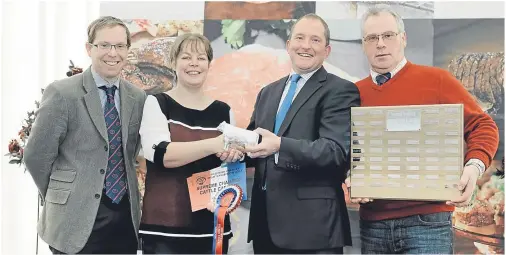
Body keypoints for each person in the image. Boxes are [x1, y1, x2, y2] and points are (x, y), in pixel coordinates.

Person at [347, 4, 500, 254]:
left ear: (403, 38)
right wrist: (347, 175)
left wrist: (473, 168)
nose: (381, 44)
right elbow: (341, 145)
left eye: (388, 35)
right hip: (372, 225)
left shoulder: (437, 80)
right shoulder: (352, 92)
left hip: (428, 224)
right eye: (372, 38)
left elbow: (483, 125)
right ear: (364, 44)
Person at [23, 16, 147, 254]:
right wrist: (62, 194)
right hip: (73, 220)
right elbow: (36, 156)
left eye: (120, 46)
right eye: (104, 45)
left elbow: (131, 153)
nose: (113, 53)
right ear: (89, 48)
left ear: (127, 50)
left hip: (123, 221)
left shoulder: (137, 97)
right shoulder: (62, 93)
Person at [244, 13, 361, 254]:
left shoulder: (340, 90)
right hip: (265, 226)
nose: (306, 45)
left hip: (313, 230)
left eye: (315, 40)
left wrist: (279, 145)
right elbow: (256, 143)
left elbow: (335, 151)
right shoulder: (268, 92)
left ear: (327, 51)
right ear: (288, 45)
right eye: (300, 37)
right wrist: (236, 148)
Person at [138, 33, 243, 254]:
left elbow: (230, 169)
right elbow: (162, 155)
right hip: (165, 228)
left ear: (208, 64)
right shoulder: (157, 103)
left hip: (212, 227)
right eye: (186, 57)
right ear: (173, 63)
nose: (194, 63)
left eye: (201, 58)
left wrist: (234, 154)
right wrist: (215, 145)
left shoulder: (224, 111)